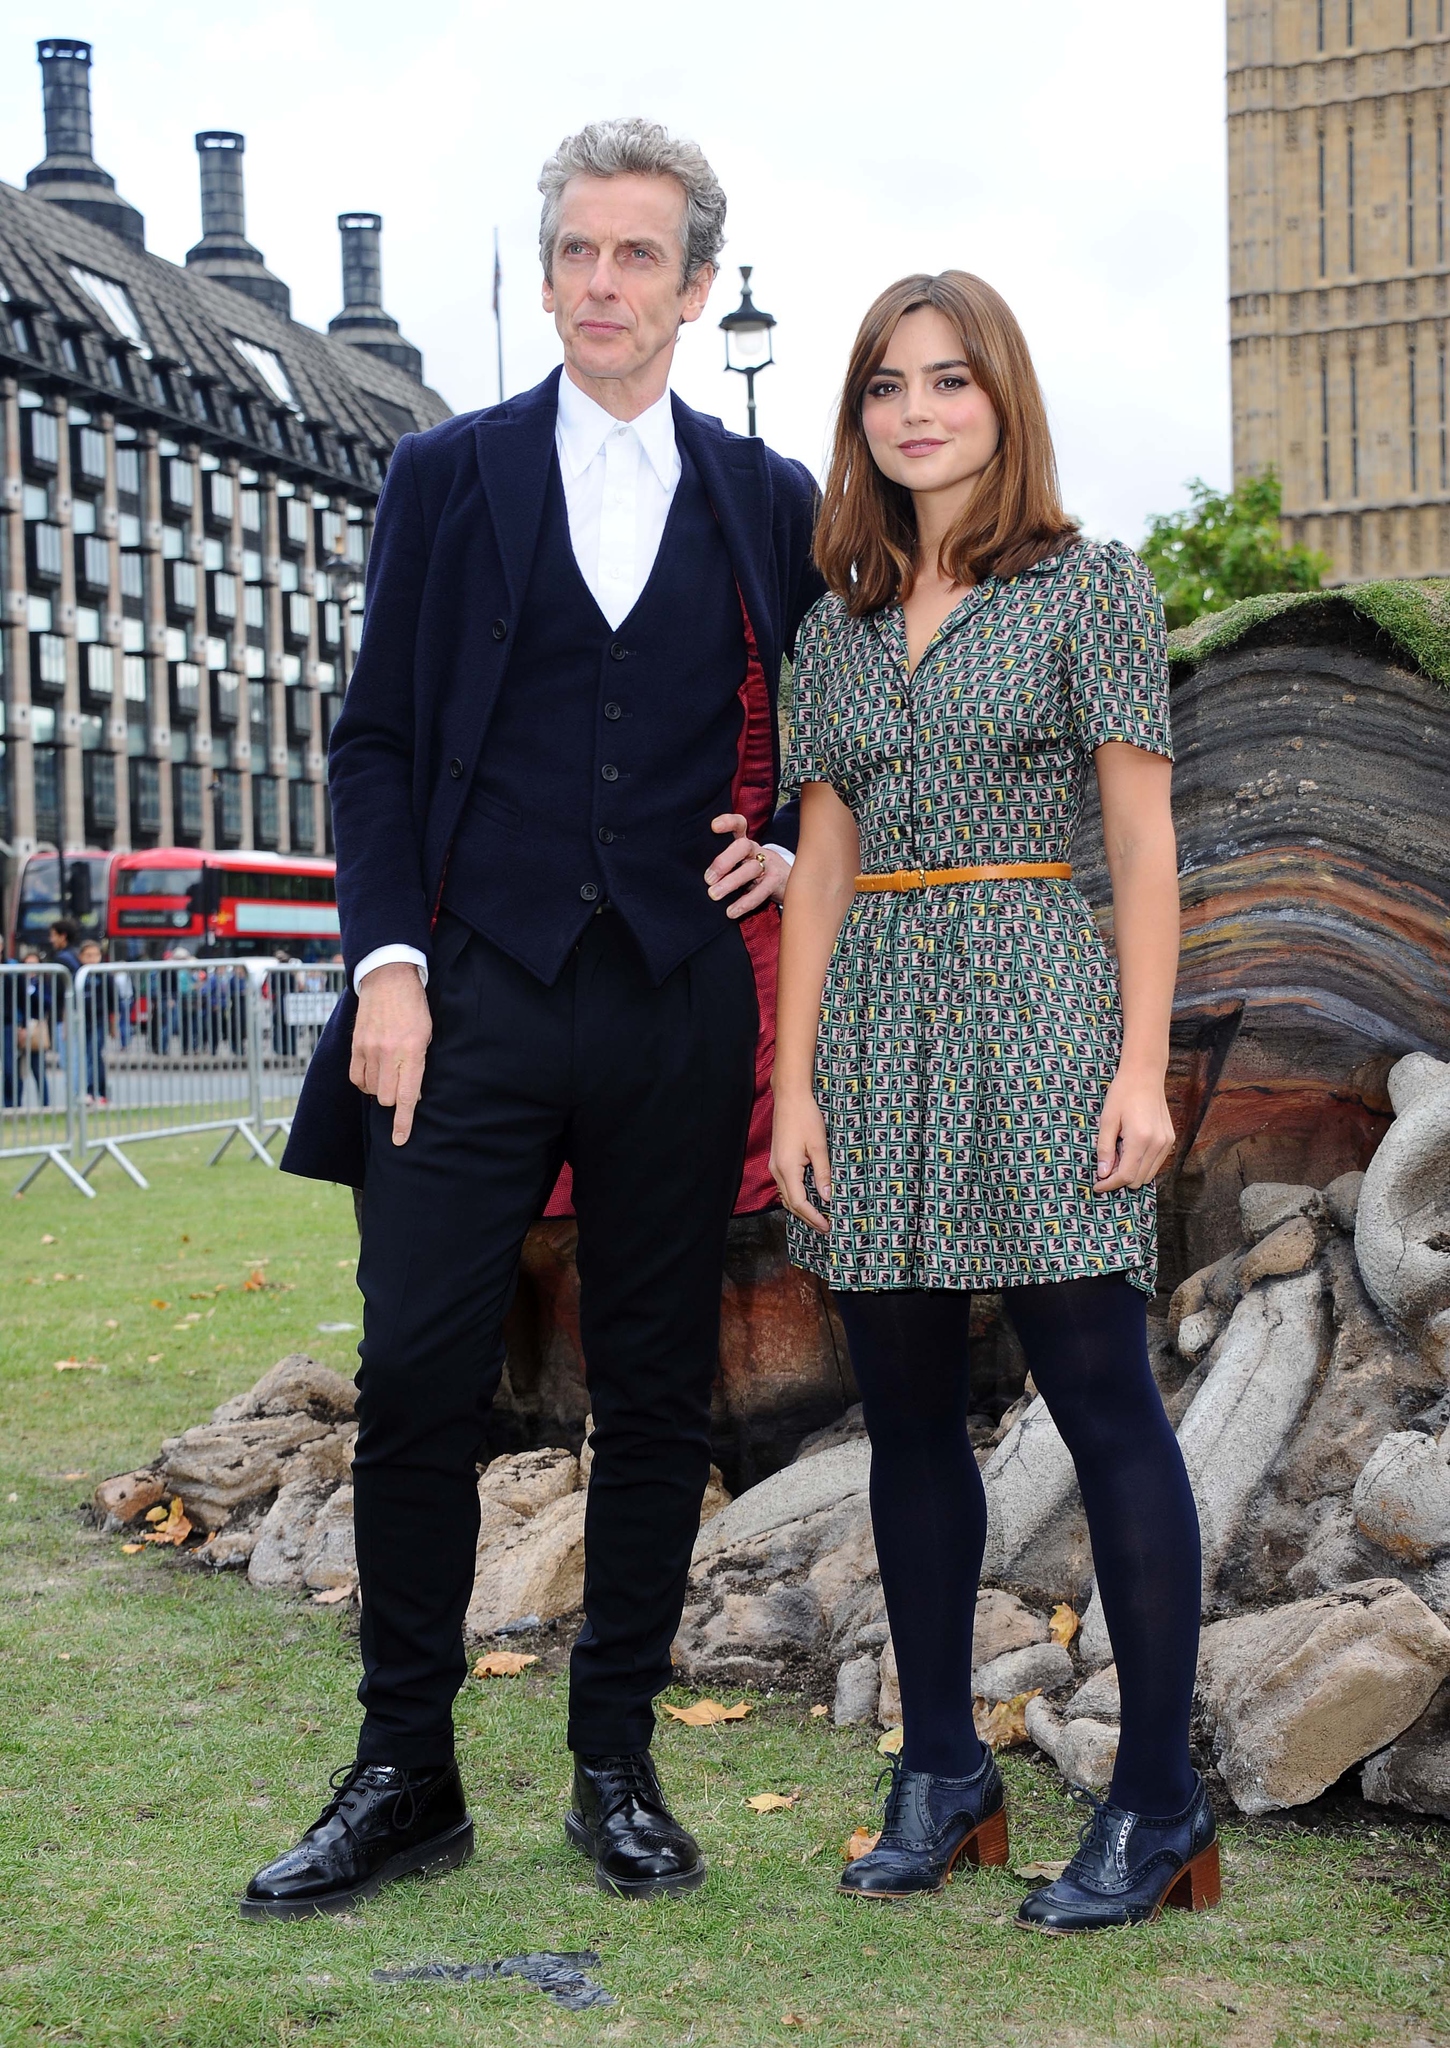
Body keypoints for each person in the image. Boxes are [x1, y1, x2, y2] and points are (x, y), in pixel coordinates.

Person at [253, 117, 822, 1919]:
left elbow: (830, 736)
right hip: (468, 995)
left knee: (657, 1396)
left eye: (636, 254)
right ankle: (404, 1771)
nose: (599, 282)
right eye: (575, 249)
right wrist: (389, 972)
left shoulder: (766, 497)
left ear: (694, 286)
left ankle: (614, 1762)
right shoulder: (445, 473)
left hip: (670, 1006)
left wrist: (793, 838)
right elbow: (376, 746)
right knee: (419, 1373)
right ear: (551, 266)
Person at [770, 271, 1217, 1935]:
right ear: (860, 416)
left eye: (946, 381)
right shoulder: (836, 622)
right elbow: (819, 862)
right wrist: (793, 1080)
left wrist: (1138, 1065)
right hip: (876, 1023)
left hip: (1039, 1004)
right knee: (899, 1414)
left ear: (1000, 399)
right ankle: (943, 1771)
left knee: (1101, 1399)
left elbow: (1144, 844)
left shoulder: (1089, 588)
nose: (914, 411)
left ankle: (1159, 1800)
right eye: (885, 385)